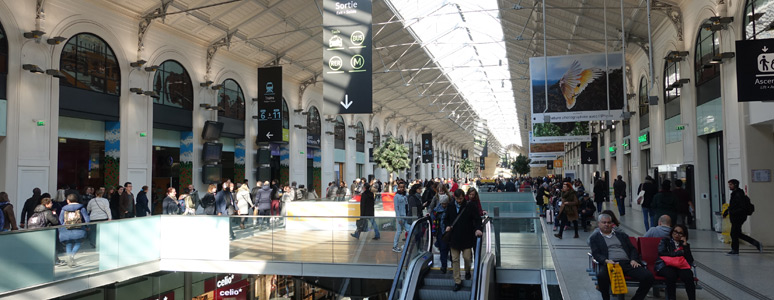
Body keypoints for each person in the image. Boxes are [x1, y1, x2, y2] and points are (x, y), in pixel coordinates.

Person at [589, 213, 654, 300]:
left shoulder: (621, 235)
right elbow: (596, 253)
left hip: (627, 263)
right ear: (599, 224)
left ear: (612, 224)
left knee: (648, 276)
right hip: (610, 264)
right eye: (604, 222)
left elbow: (632, 249)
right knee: (601, 277)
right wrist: (606, 260)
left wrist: (634, 259)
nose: (606, 225)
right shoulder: (595, 238)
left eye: (608, 223)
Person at [444, 189, 483, 292]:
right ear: (454, 197)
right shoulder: (451, 206)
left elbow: (477, 219)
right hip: (454, 238)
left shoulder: (470, 206)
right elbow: (446, 218)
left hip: (466, 237)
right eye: (457, 199)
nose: (459, 201)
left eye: (460, 198)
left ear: (463, 197)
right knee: (455, 260)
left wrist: (478, 229)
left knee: (467, 257)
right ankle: (457, 281)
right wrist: (447, 225)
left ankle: (467, 270)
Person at [655, 224, 696, 300]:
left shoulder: (684, 244)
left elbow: (690, 260)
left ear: (684, 235)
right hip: (665, 265)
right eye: (675, 232)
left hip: (680, 266)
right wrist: (677, 253)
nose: (677, 235)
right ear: (672, 232)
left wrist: (685, 245)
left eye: (680, 233)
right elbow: (661, 252)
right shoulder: (665, 241)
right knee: (671, 275)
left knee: (688, 275)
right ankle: (672, 298)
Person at [724, 179, 762, 254]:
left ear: (735, 185)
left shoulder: (738, 194)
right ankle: (756, 244)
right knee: (737, 233)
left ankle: (735, 250)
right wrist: (727, 211)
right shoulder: (735, 193)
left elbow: (741, 207)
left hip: (739, 217)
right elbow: (733, 205)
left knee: (734, 233)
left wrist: (732, 212)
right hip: (736, 216)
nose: (729, 186)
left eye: (730, 185)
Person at [59, 194, 90, 267]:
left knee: (68, 243)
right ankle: (72, 256)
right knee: (78, 242)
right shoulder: (81, 207)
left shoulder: (64, 208)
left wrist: (62, 226)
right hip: (78, 228)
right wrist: (87, 226)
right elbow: (86, 218)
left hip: (66, 228)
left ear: (68, 200)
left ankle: (69, 257)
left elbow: (60, 219)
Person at [432, 194, 451, 273]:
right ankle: (444, 266)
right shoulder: (436, 211)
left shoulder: (450, 209)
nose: (444, 205)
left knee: (448, 248)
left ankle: (447, 264)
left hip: (449, 232)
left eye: (445, 203)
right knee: (443, 249)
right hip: (440, 231)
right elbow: (434, 221)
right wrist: (434, 231)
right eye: (443, 203)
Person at [392, 183, 410, 252]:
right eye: (401, 187)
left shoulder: (406, 195)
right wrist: (399, 218)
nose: (402, 188)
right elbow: (396, 208)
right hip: (400, 217)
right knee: (399, 231)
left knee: (409, 230)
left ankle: (406, 245)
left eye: (403, 187)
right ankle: (395, 246)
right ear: (398, 187)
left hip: (406, 216)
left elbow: (407, 206)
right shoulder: (396, 196)